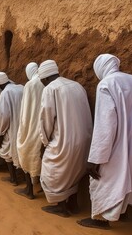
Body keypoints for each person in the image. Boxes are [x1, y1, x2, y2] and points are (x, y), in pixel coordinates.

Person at [78, 54, 132, 230]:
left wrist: (95, 158)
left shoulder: (106, 84)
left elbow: (106, 124)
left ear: (100, 68)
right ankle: (122, 212)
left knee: (103, 180)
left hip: (117, 145)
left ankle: (100, 220)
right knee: (128, 178)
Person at [38, 60, 93, 218]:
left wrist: (44, 142)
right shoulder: (76, 86)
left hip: (64, 141)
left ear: (44, 78)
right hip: (84, 141)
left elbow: (46, 119)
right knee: (74, 173)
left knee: (52, 172)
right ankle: (73, 204)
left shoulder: (50, 89)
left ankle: (61, 207)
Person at [15, 62, 45, 199]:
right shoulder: (45, 81)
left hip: (31, 126)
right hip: (45, 127)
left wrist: (22, 129)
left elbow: (25, 110)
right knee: (42, 160)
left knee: (25, 154)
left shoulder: (31, 85)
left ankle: (29, 190)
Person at [0, 72, 24, 186]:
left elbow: (4, 115)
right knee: (20, 151)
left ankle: (13, 178)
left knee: (7, 153)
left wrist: (1, 132)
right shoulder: (21, 87)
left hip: (11, 127)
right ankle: (22, 177)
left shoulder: (5, 93)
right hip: (22, 126)